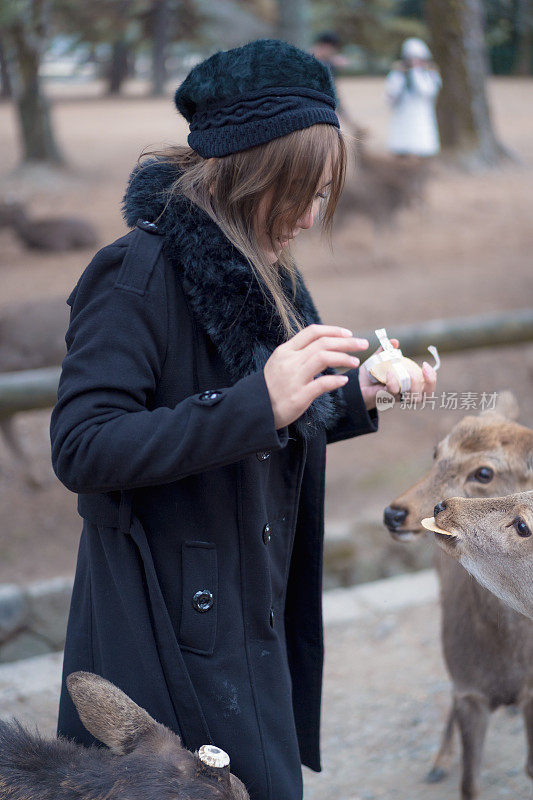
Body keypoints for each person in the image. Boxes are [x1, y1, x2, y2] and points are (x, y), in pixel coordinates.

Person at [50, 39, 437, 800]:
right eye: (296, 190)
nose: (309, 215)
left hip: (247, 606)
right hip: (162, 628)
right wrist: (254, 403)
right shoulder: (134, 273)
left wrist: (353, 394)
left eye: (323, 194)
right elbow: (82, 446)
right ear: (245, 170)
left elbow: (270, 416)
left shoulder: (258, 262)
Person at [385, 37, 441, 158]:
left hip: (422, 116)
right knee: (402, 149)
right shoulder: (397, 74)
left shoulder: (429, 74)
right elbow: (390, 95)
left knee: (423, 146)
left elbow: (427, 91)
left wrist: (415, 74)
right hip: (403, 116)